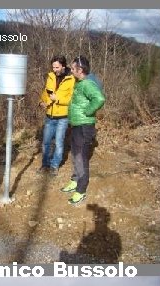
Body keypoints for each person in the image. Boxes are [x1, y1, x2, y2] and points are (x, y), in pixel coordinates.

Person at [61, 56, 106, 205]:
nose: (71, 70)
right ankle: (75, 180)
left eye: (73, 69)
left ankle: (81, 190)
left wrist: (87, 111)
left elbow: (99, 99)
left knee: (81, 157)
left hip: (84, 126)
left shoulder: (87, 84)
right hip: (77, 125)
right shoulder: (79, 83)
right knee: (75, 155)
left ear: (80, 70)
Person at [38, 55, 75, 176]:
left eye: (57, 67)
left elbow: (71, 99)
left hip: (62, 117)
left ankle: (54, 166)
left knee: (59, 142)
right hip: (49, 115)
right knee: (46, 142)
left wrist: (58, 99)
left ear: (63, 66)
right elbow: (46, 92)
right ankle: (45, 164)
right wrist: (41, 101)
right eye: (53, 67)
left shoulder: (71, 79)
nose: (54, 69)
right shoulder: (51, 76)